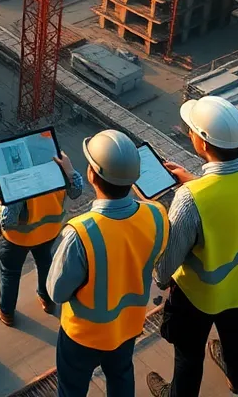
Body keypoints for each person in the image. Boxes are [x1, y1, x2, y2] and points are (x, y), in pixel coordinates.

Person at [147, 95, 238, 397]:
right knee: (234, 330)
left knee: (189, 354)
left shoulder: (190, 200)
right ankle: (236, 379)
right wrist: (194, 183)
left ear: (201, 142)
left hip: (198, 297)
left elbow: (163, 271)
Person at [47, 130, 170, 397]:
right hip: (127, 326)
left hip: (83, 335)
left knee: (72, 388)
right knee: (121, 376)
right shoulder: (157, 214)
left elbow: (56, 291)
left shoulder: (81, 233)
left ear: (92, 175)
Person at [0, 142, 84, 327]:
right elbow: (76, 191)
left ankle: (6, 312)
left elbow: (6, 220)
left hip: (16, 239)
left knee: (10, 273)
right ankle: (47, 300)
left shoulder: (20, 181)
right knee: (45, 265)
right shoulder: (59, 169)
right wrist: (70, 170)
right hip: (49, 232)